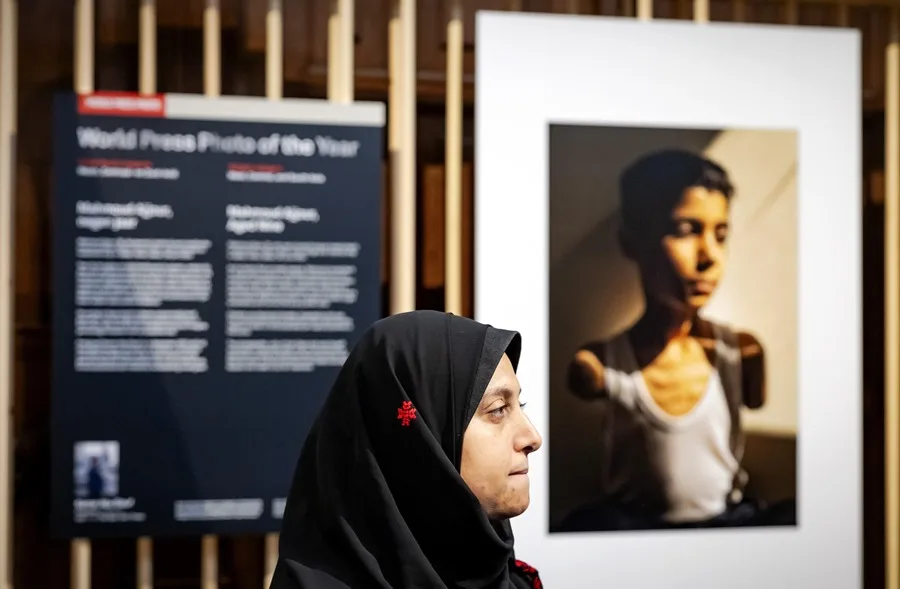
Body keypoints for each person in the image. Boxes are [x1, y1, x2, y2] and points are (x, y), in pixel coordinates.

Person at [557, 148, 795, 532]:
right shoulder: (602, 363)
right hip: (634, 527)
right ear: (632, 243)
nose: (709, 257)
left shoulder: (742, 353)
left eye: (720, 235)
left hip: (725, 522)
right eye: (686, 230)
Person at [270, 310, 545, 588]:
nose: (532, 438)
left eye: (519, 406)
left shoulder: (511, 580)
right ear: (418, 443)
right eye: (498, 410)